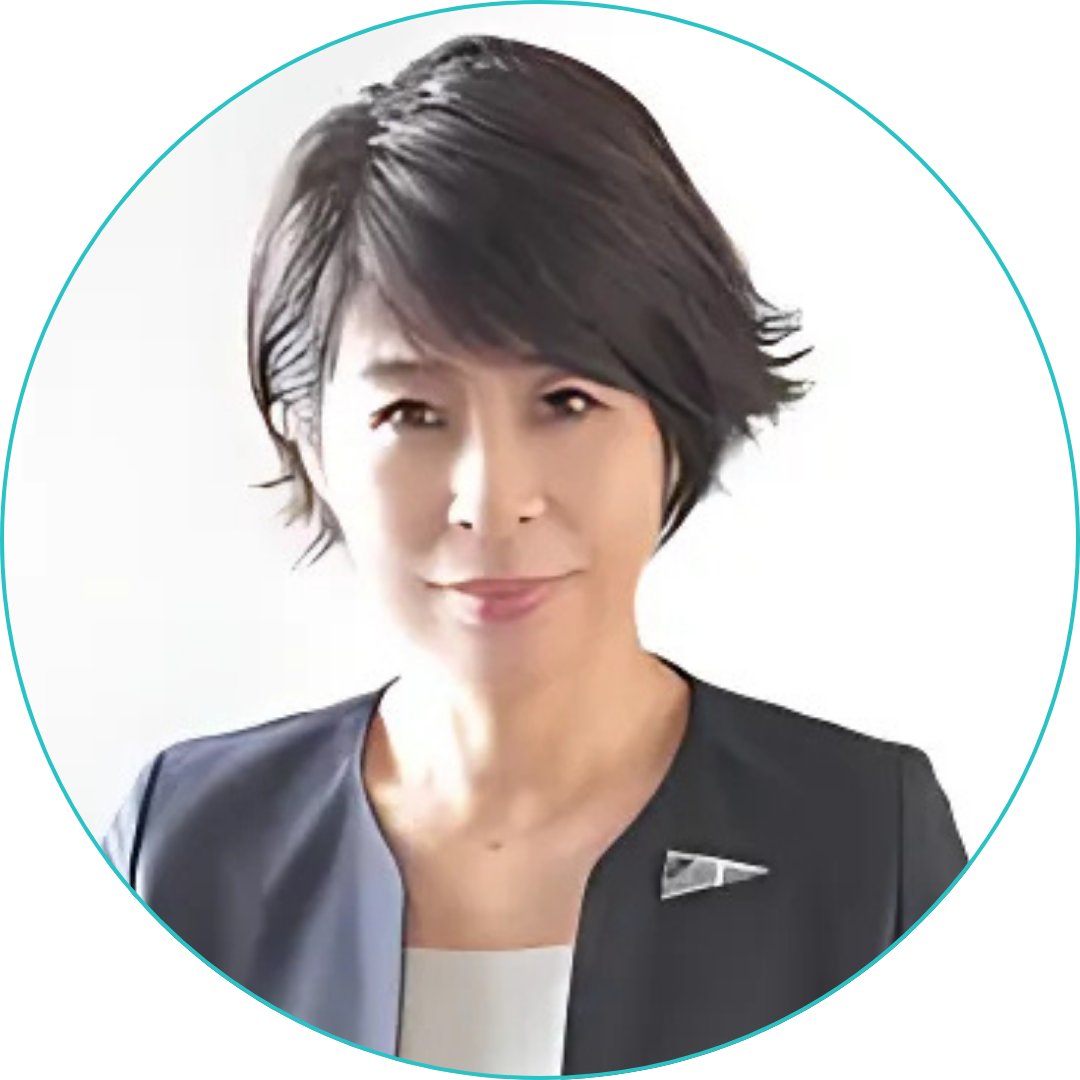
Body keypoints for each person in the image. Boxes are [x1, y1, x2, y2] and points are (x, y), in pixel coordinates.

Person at [100, 34, 968, 1075]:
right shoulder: (185, 843)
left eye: (566, 401)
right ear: (310, 443)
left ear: (675, 417)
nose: (493, 501)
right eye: (412, 413)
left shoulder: (864, 841)